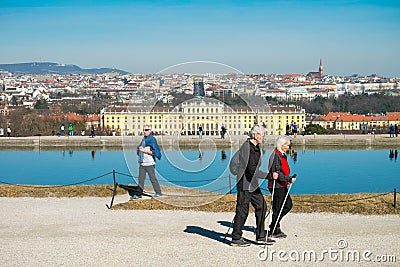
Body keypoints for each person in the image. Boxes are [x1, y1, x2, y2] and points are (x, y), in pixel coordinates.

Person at [231, 125, 271, 247]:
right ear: (255, 135)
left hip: (252, 183)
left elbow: (254, 169)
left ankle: (260, 236)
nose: (263, 138)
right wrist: (269, 176)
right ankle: (236, 238)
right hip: (245, 183)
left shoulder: (255, 147)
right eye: (262, 135)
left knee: (262, 206)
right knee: (243, 210)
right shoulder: (247, 148)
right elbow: (251, 170)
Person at [267, 135, 297, 239]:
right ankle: (274, 229)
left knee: (287, 205)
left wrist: (287, 179)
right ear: (282, 145)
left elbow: (282, 171)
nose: (288, 147)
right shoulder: (276, 155)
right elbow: (275, 173)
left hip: (282, 185)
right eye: (287, 145)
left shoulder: (282, 155)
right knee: (279, 207)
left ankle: (274, 225)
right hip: (277, 186)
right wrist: (288, 179)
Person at [134, 125, 162, 199]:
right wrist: (139, 150)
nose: (144, 131)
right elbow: (139, 148)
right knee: (141, 179)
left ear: (150, 131)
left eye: (146, 130)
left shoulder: (152, 140)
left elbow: (155, 152)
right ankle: (139, 194)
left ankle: (158, 192)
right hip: (142, 162)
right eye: (144, 130)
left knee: (152, 178)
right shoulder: (143, 140)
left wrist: (144, 150)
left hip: (150, 163)